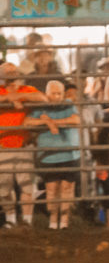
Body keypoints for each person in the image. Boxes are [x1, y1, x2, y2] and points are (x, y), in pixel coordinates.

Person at [24, 80, 81, 229]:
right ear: (47, 94)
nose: (56, 97)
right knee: (52, 189)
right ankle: (53, 220)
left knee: (67, 188)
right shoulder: (40, 106)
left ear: (63, 94)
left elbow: (75, 119)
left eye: (59, 93)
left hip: (69, 154)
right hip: (49, 155)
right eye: (53, 93)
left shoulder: (68, 104)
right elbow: (27, 122)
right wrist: (48, 123)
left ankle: (64, 222)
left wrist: (50, 121)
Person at [0, 63, 50, 228]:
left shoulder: (26, 89)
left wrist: (18, 97)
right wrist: (8, 98)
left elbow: (43, 98)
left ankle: (27, 221)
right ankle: (10, 219)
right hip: (3, 145)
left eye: (13, 70)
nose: (11, 73)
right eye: (7, 70)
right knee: (3, 186)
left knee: (27, 185)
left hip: (23, 145)